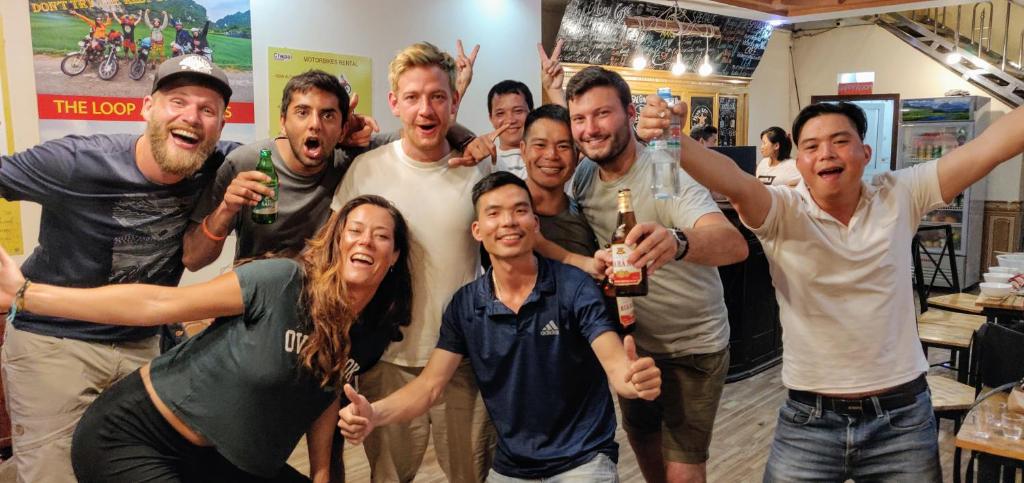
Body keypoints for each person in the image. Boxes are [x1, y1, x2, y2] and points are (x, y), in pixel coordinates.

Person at [641, 98, 1024, 481]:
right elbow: (732, 179)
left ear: (865, 152)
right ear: (800, 161)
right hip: (809, 420)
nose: (825, 153)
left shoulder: (901, 194)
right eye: (811, 146)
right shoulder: (782, 211)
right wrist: (675, 137)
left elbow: (988, 147)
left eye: (840, 141)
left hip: (902, 417)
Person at [0, 195, 412, 482]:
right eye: (355, 230)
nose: (365, 241)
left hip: (223, 462)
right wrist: (29, 295)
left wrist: (322, 475)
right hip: (135, 438)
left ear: (394, 256)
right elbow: (157, 304)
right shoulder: (282, 282)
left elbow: (322, 392)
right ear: (336, 241)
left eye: (381, 236)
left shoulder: (369, 333)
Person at [0, 55, 236, 483]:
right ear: (147, 107)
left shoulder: (222, 164)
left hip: (143, 344)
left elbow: (293, 149)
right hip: (55, 341)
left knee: (134, 467)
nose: (192, 117)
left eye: (207, 110)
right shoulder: (75, 161)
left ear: (222, 124)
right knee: (52, 472)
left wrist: (358, 138)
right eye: (177, 101)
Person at [338, 172, 662, 481]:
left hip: (583, 460)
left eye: (520, 210)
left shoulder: (574, 287)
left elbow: (615, 364)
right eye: (494, 213)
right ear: (477, 231)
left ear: (535, 225)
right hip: (512, 469)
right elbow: (429, 387)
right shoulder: (466, 306)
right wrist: (373, 414)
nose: (508, 221)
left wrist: (631, 381)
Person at [565, 66, 748, 483]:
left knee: (683, 471)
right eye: (580, 118)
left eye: (602, 114)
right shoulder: (583, 177)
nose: (590, 129)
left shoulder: (665, 170)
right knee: (647, 452)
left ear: (630, 112)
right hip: (633, 346)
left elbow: (732, 245)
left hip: (693, 347)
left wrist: (678, 242)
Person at [330, 41, 495, 482]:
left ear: (454, 101)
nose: (426, 109)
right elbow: (334, 256)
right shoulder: (365, 170)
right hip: (387, 358)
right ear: (394, 103)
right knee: (388, 476)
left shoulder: (475, 172)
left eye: (438, 97)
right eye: (413, 97)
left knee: (470, 474)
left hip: (461, 358)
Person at [183, 70, 478, 273]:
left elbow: (417, 132)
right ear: (282, 120)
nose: (315, 124)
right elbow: (193, 259)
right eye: (302, 112)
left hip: (324, 310)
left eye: (328, 115)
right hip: (253, 307)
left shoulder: (350, 156)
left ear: (342, 126)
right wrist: (224, 211)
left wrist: (467, 138)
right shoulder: (245, 163)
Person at [522, 104, 596, 258]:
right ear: (523, 150)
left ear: (576, 155)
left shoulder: (587, 217)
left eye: (563, 146)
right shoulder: (505, 215)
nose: (551, 155)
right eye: (540, 145)